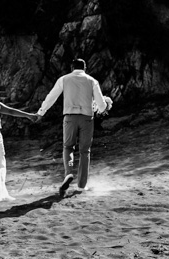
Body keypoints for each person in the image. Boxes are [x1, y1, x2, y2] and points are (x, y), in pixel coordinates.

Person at [36, 59, 112, 196]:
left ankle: (68, 173)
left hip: (70, 117)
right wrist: (105, 105)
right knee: (84, 151)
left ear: (72, 67)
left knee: (68, 147)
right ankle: (81, 186)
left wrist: (41, 112)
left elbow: (51, 97)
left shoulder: (64, 79)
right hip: (87, 118)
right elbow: (101, 106)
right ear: (85, 68)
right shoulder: (92, 81)